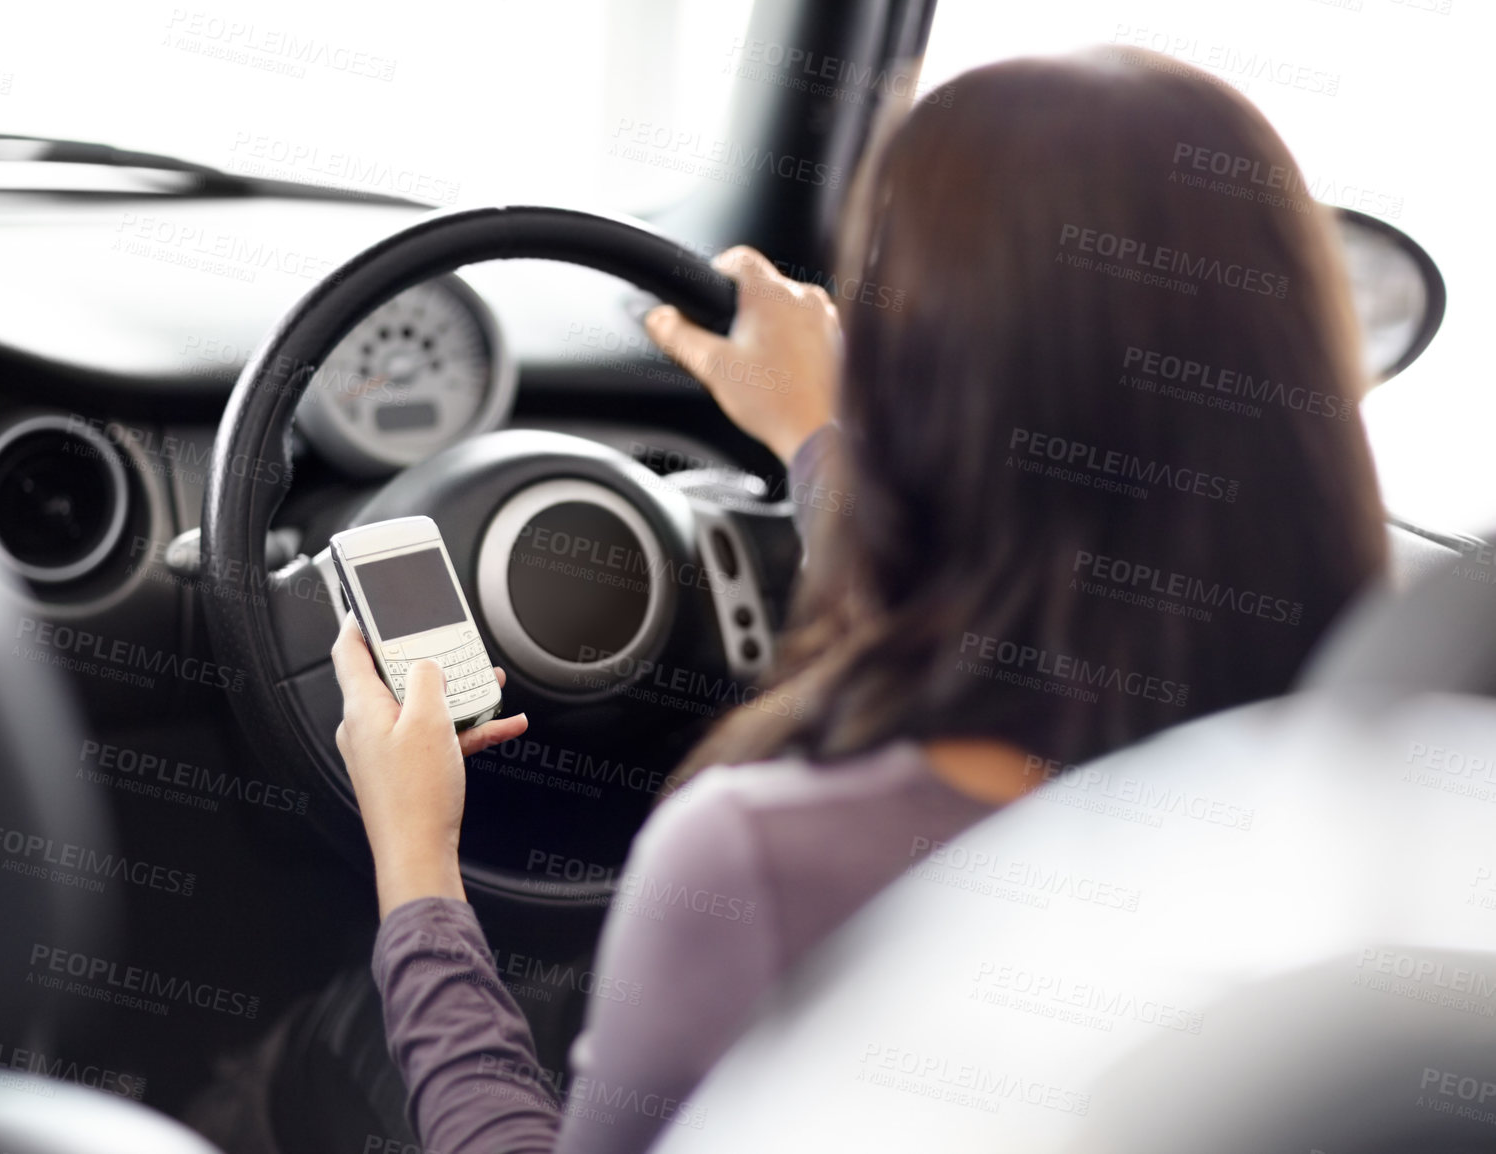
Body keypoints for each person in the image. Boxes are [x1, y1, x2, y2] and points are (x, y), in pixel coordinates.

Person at [312, 48, 1388, 1154]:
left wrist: (418, 869)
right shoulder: (1401, 803)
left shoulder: (765, 863)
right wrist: (820, 444)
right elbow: (1013, 597)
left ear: (915, 385)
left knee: (326, 1047)